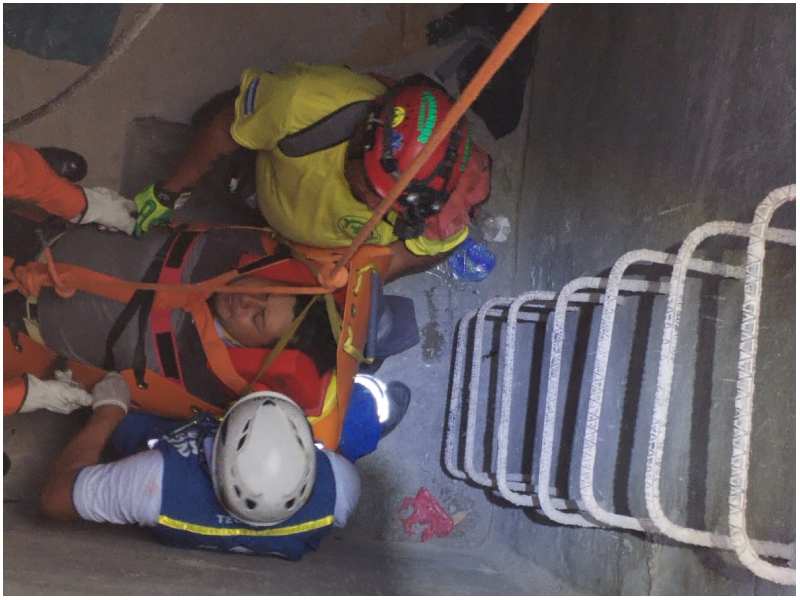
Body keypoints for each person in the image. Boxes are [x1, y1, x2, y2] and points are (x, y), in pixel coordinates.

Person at [4, 142, 413, 456]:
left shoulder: (215, 384)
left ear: (256, 348)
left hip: (22, 328)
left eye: (256, 321)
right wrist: (78, 204)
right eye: (264, 294)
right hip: (42, 236)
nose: (246, 305)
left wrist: (27, 395)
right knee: (27, 177)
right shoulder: (246, 252)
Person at [132, 63, 492, 281]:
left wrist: (370, 275)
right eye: (370, 192)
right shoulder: (303, 104)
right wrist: (170, 191)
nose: (371, 205)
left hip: (316, 252)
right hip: (264, 182)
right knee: (212, 119)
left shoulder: (446, 199)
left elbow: (431, 246)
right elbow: (224, 128)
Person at [39, 372, 360, 560]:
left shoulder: (157, 481)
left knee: (124, 417)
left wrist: (108, 411)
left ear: (212, 454)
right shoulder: (340, 488)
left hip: (159, 468)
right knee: (360, 417)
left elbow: (55, 500)